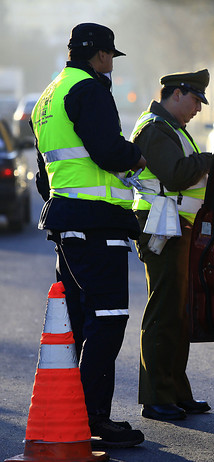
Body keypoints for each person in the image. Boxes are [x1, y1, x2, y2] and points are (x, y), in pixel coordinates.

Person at [30, 23, 146, 448]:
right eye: (111, 56)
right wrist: (136, 155)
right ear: (101, 55)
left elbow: (47, 170)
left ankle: (79, 413)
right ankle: (95, 417)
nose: (111, 64)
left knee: (84, 320)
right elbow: (108, 150)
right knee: (109, 318)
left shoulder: (50, 94)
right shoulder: (90, 89)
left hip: (66, 220)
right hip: (97, 223)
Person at [130, 70, 213, 421]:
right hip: (160, 227)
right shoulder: (154, 129)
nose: (197, 109)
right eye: (195, 100)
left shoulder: (172, 129)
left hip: (175, 225)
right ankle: (156, 397)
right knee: (164, 312)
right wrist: (209, 160)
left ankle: (176, 392)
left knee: (177, 315)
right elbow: (176, 174)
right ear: (176, 94)